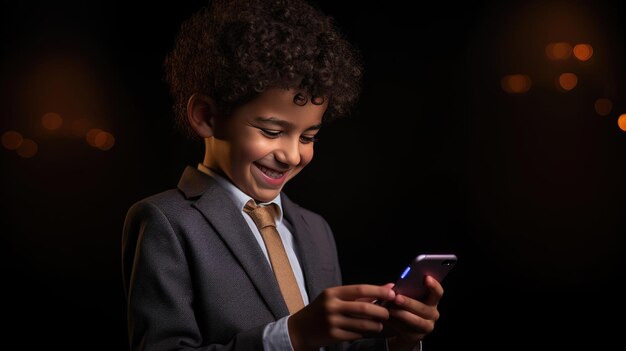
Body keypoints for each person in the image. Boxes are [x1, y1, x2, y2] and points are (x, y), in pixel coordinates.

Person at [121, 0, 445, 350]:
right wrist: (294, 335)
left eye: (308, 137)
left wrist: (398, 340)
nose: (292, 155)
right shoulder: (166, 222)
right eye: (272, 132)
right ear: (206, 116)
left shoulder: (315, 229)